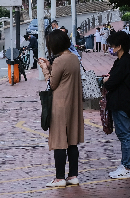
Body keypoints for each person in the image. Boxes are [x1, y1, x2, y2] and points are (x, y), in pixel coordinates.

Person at [38, 30, 84, 187]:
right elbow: (64, 77)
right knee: (72, 141)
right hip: (73, 104)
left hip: (60, 105)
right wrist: (51, 66)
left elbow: (52, 84)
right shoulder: (74, 58)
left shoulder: (60, 61)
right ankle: (73, 176)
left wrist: (45, 68)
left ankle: (59, 178)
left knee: (59, 141)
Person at [102, 31, 130, 179]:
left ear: (119, 46)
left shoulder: (124, 62)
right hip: (120, 103)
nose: (110, 49)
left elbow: (111, 82)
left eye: (112, 46)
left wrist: (107, 81)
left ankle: (127, 166)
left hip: (123, 104)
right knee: (123, 134)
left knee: (125, 135)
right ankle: (125, 165)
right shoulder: (121, 61)